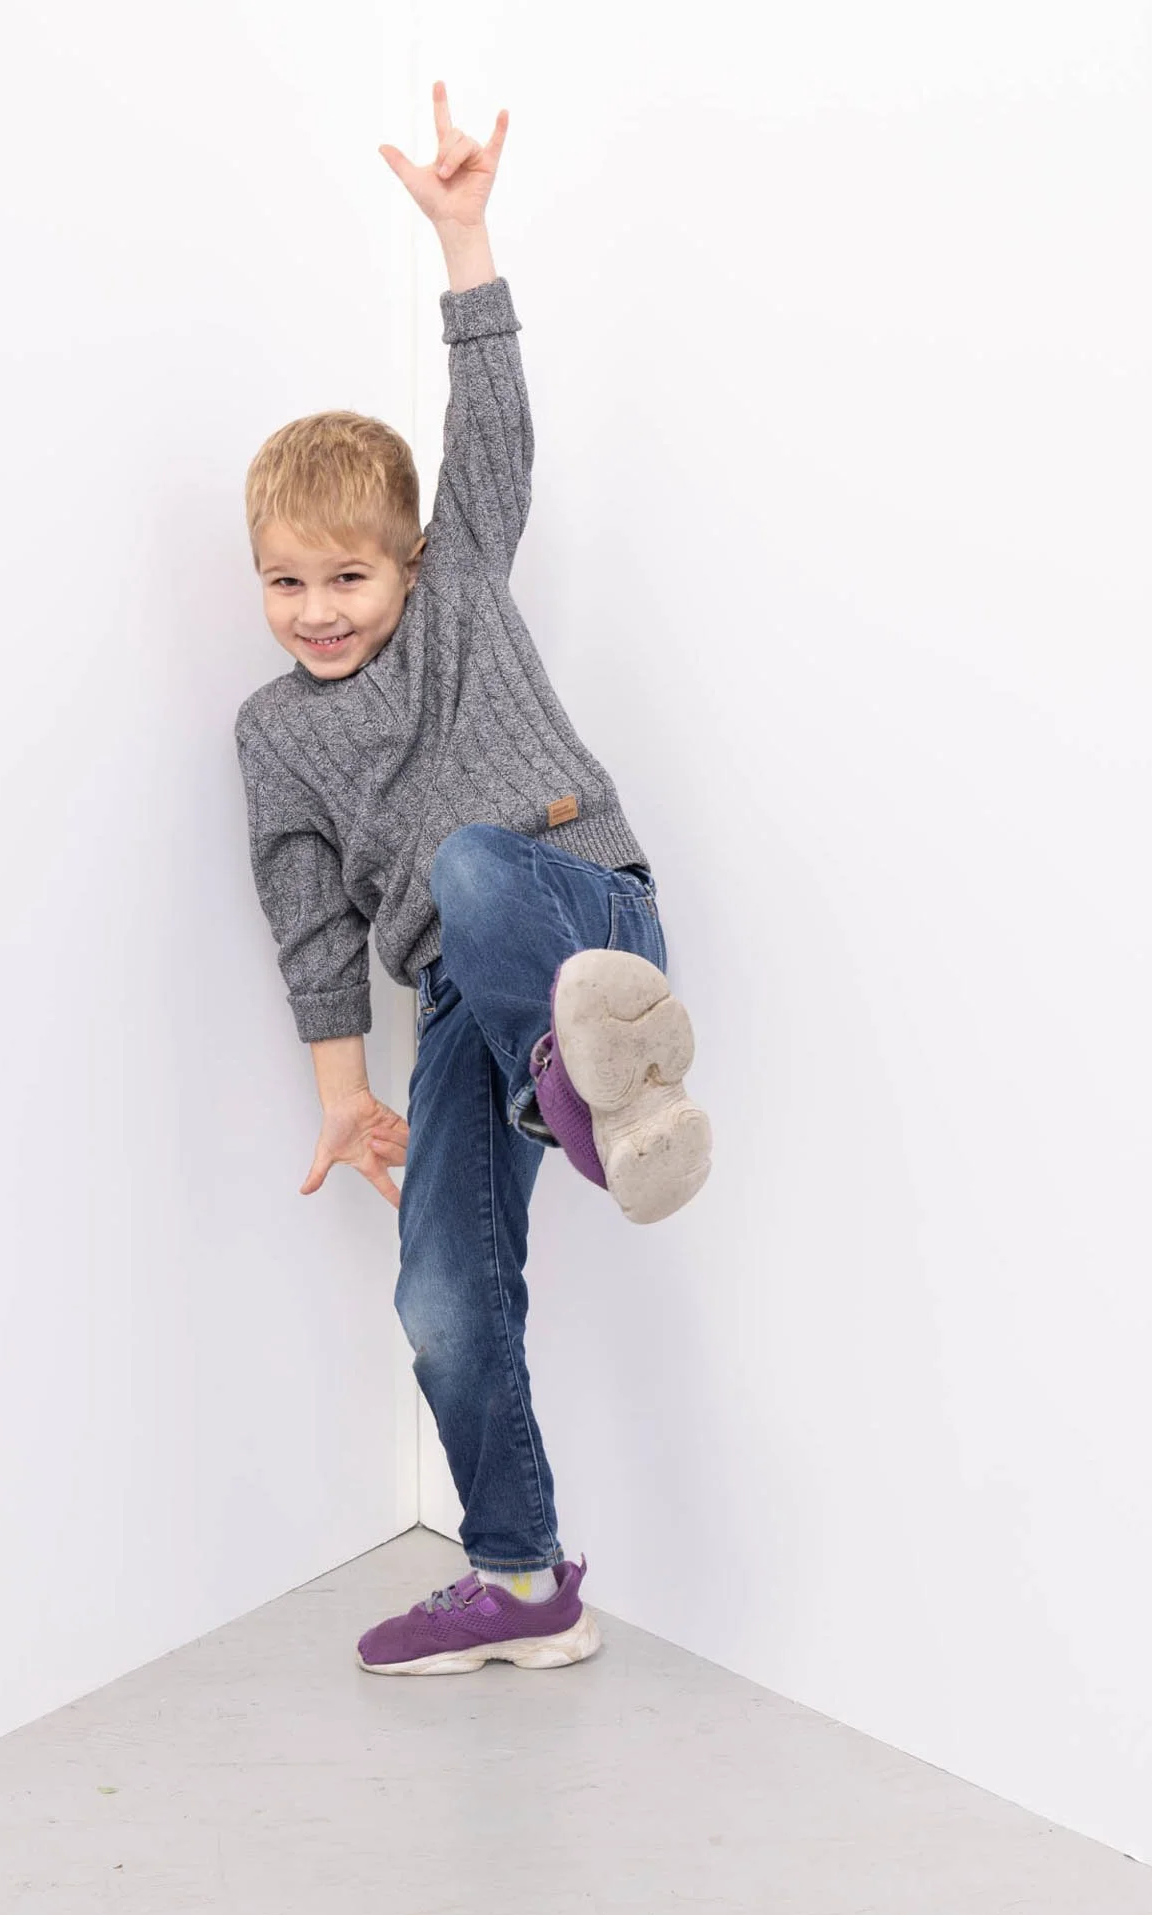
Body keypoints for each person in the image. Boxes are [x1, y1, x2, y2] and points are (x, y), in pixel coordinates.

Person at [234, 81, 711, 1677]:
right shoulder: (272, 736)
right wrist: (338, 1094)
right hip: (466, 1009)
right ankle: (521, 1585)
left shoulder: (462, 587)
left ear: (412, 560)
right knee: (438, 1294)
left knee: (468, 866)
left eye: (347, 575)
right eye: (287, 583)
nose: (317, 609)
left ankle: (584, 1064)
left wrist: (464, 237)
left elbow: (490, 426)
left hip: (580, 904)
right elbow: (309, 926)